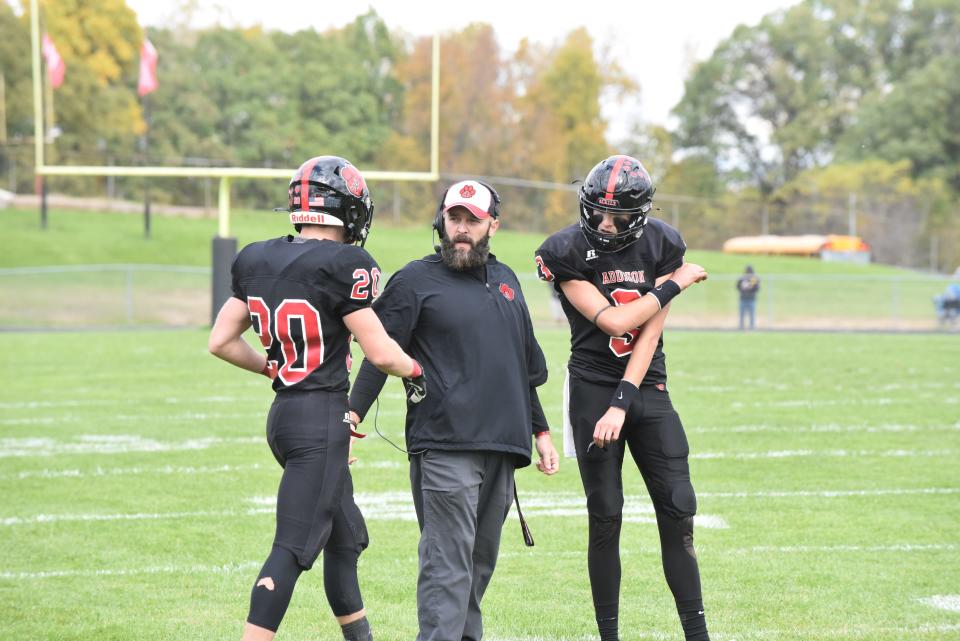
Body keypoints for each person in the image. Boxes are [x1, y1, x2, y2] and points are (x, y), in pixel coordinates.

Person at [208, 156, 427, 641]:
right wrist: (417, 370)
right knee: (291, 547)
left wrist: (271, 365)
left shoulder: (256, 257)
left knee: (346, 538)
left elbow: (220, 341)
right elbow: (379, 351)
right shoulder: (345, 264)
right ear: (347, 211)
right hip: (321, 418)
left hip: (284, 415)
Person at [348, 179, 560, 641]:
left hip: (504, 446)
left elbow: (519, 366)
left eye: (473, 221)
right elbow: (377, 351)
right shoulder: (415, 280)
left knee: (477, 568)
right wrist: (352, 416)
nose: (462, 229)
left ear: (492, 226)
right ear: (442, 221)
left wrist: (540, 431)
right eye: (455, 218)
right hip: (445, 447)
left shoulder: (506, 281)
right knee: (447, 568)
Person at [535, 155, 710, 641]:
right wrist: (677, 282)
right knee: (606, 514)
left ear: (642, 215)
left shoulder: (662, 243)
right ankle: (607, 635)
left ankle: (698, 635)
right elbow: (613, 322)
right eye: (597, 212)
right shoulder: (564, 249)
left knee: (679, 508)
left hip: (646, 386)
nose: (604, 223)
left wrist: (626, 398)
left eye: (617, 216)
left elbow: (648, 335)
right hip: (592, 387)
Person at [736, 265, 760, 330]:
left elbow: (757, 288)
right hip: (743, 298)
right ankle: (741, 327)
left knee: (752, 314)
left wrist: (749, 290)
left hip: (751, 299)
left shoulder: (754, 279)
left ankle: (752, 327)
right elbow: (738, 286)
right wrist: (743, 290)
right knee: (742, 314)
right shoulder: (742, 278)